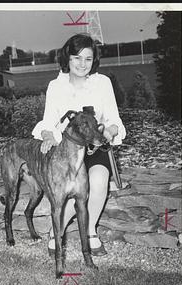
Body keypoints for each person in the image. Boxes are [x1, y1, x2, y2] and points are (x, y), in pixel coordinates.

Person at [32, 33, 126, 256]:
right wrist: (46, 136)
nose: (82, 64)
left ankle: (91, 231)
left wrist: (108, 132)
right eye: (77, 58)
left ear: (94, 60)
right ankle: (58, 231)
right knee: (65, 190)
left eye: (88, 58)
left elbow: (114, 119)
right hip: (65, 151)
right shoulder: (56, 86)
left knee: (99, 179)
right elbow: (48, 121)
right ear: (67, 58)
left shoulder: (102, 83)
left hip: (94, 148)